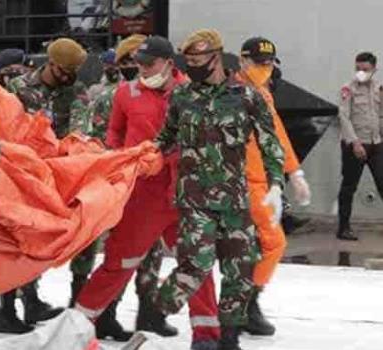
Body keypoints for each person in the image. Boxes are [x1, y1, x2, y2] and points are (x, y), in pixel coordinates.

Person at [150, 29, 285, 350]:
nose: (192, 66)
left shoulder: (246, 97)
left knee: (240, 270)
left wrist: (277, 183)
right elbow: (164, 137)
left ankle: (229, 337)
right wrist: (141, 157)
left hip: (234, 200)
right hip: (194, 198)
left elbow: (270, 143)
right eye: (189, 61)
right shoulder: (182, 96)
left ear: (216, 57)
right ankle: (157, 311)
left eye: (198, 60)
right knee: (196, 264)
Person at [74, 35, 192, 342]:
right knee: (121, 261)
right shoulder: (124, 94)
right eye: (136, 63)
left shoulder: (191, 93)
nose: (140, 70)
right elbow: (113, 132)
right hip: (140, 192)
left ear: (169, 63)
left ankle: (195, 327)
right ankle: (81, 323)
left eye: (147, 64)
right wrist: (116, 163)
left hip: (182, 191)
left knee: (195, 262)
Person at [0, 37, 90, 334]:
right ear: (50, 64)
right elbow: (3, 125)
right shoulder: (18, 88)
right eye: (64, 71)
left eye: (72, 73)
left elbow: (79, 129)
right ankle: (7, 310)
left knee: (40, 240)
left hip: (54, 173)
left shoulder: (75, 91)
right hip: (18, 173)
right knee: (14, 240)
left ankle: (33, 300)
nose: (68, 78)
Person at [235, 36, 311, 336]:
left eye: (268, 63)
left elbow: (277, 134)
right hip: (240, 183)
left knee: (258, 247)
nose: (264, 68)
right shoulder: (230, 94)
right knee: (268, 244)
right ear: (242, 61)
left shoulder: (263, 94)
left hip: (262, 183)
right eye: (258, 62)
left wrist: (295, 173)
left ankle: (244, 305)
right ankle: (243, 307)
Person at [336, 51, 383, 241]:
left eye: (365, 69)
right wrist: (355, 142)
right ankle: (343, 228)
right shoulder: (348, 89)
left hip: (376, 143)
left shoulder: (379, 88)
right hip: (354, 145)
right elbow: (344, 117)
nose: (360, 73)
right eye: (358, 69)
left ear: (374, 70)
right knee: (349, 187)